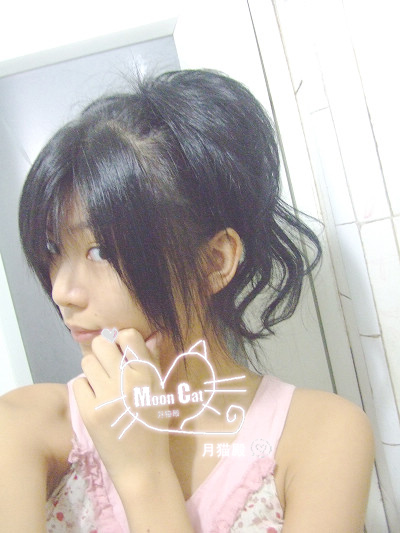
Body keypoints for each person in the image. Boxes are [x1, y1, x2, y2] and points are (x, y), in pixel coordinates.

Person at [0, 69, 373, 532]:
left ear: (214, 261)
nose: (61, 292)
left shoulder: (320, 436)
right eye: (54, 250)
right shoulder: (24, 428)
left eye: (100, 251)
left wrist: (143, 474)